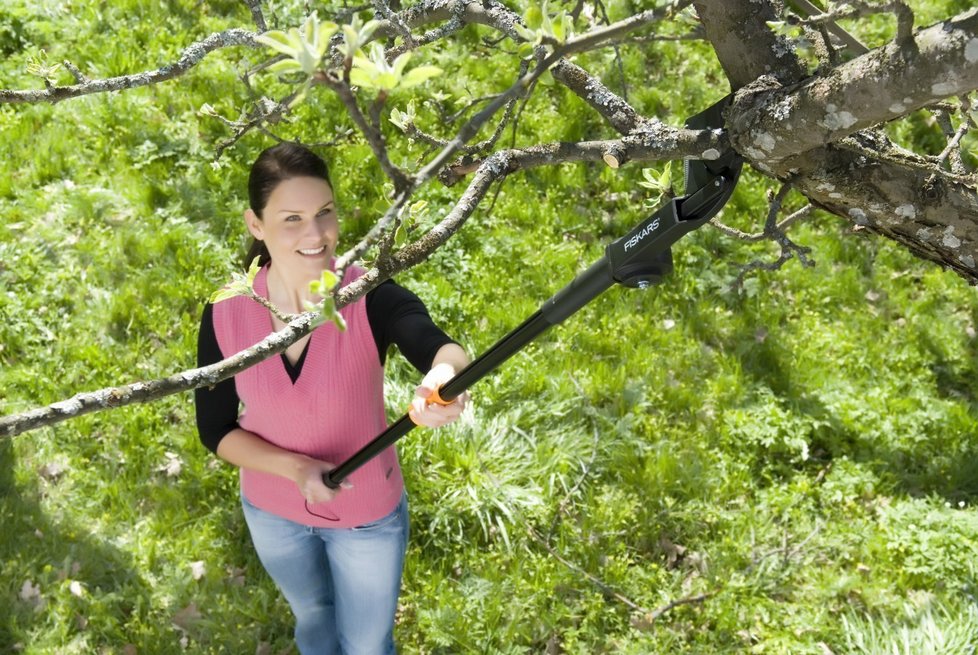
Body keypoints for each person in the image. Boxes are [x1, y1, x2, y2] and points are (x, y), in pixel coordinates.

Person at [194, 142, 469, 655]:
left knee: (366, 644)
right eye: (292, 219)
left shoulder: (368, 294)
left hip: (366, 516)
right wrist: (294, 468)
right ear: (257, 225)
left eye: (324, 213)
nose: (316, 235)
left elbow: (437, 344)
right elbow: (215, 430)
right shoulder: (225, 312)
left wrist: (443, 377)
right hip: (272, 511)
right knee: (314, 623)